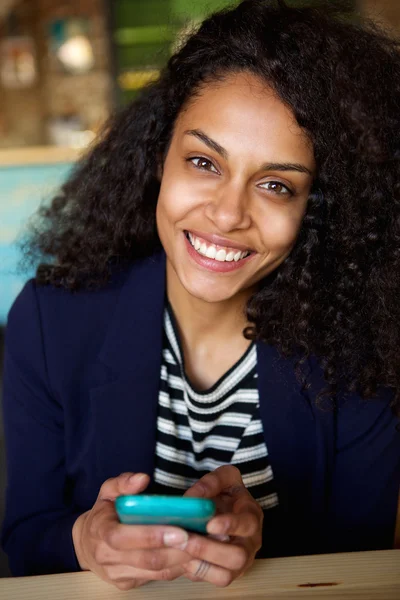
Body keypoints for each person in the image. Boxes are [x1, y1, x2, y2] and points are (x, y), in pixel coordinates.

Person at [2, 0, 400, 590]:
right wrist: (84, 540)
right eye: (203, 161)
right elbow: (23, 539)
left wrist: (259, 540)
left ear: (319, 209)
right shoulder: (50, 320)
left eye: (275, 185)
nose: (228, 213)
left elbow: (360, 565)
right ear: (157, 157)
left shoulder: (367, 349)